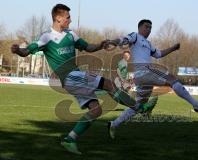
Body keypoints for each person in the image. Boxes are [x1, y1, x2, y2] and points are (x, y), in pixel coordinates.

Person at [11, 5, 156, 154]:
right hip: (70, 77)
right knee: (109, 84)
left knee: (96, 110)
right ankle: (140, 108)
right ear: (58, 18)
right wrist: (18, 51)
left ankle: (70, 139)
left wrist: (100, 44)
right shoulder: (46, 37)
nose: (70, 20)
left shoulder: (71, 35)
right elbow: (27, 50)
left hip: (74, 78)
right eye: (68, 17)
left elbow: (88, 47)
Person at [107, 19, 198, 139]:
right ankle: (196, 104)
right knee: (172, 79)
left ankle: (114, 124)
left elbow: (159, 54)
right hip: (145, 71)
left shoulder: (148, 44)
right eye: (147, 27)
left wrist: (173, 48)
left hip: (142, 77)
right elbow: (123, 39)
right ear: (140, 27)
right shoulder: (135, 36)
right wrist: (112, 41)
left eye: (151, 28)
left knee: (138, 106)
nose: (149, 30)